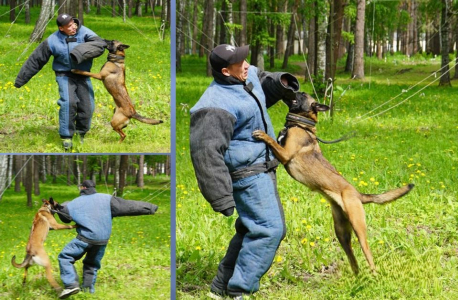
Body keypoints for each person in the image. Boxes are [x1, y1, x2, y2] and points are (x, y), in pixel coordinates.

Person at [189, 44, 300, 298]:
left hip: (263, 167)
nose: (247, 64)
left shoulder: (246, 75)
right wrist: (220, 197)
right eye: (241, 62)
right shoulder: (213, 106)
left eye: (245, 58)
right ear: (226, 71)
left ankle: (221, 286)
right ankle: (239, 290)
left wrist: (281, 82)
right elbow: (205, 153)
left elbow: (261, 82)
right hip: (247, 175)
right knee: (269, 229)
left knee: (251, 227)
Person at [14, 14, 106, 150]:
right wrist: (21, 80)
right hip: (64, 75)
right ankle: (67, 136)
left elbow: (99, 43)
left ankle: (80, 133)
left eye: (74, 23)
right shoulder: (52, 40)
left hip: (83, 74)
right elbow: (36, 60)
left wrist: (80, 52)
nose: (73, 27)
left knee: (88, 106)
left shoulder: (85, 32)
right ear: (61, 28)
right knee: (68, 103)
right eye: (69, 26)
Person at [56, 180, 112, 299]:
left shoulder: (75, 202)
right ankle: (88, 292)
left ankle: (71, 285)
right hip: (102, 241)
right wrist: (150, 208)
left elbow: (65, 218)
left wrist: (57, 209)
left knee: (65, 256)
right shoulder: (106, 199)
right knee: (91, 264)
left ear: (83, 188)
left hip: (85, 238)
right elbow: (128, 206)